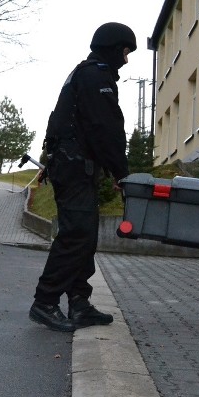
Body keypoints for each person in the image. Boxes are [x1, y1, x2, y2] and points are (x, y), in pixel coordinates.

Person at [29, 22, 135, 332]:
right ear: (114, 48)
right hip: (75, 167)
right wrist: (121, 173)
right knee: (76, 234)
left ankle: (79, 303)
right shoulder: (95, 76)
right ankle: (45, 302)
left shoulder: (81, 74)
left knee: (84, 235)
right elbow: (106, 128)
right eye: (126, 52)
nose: (126, 61)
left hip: (70, 164)